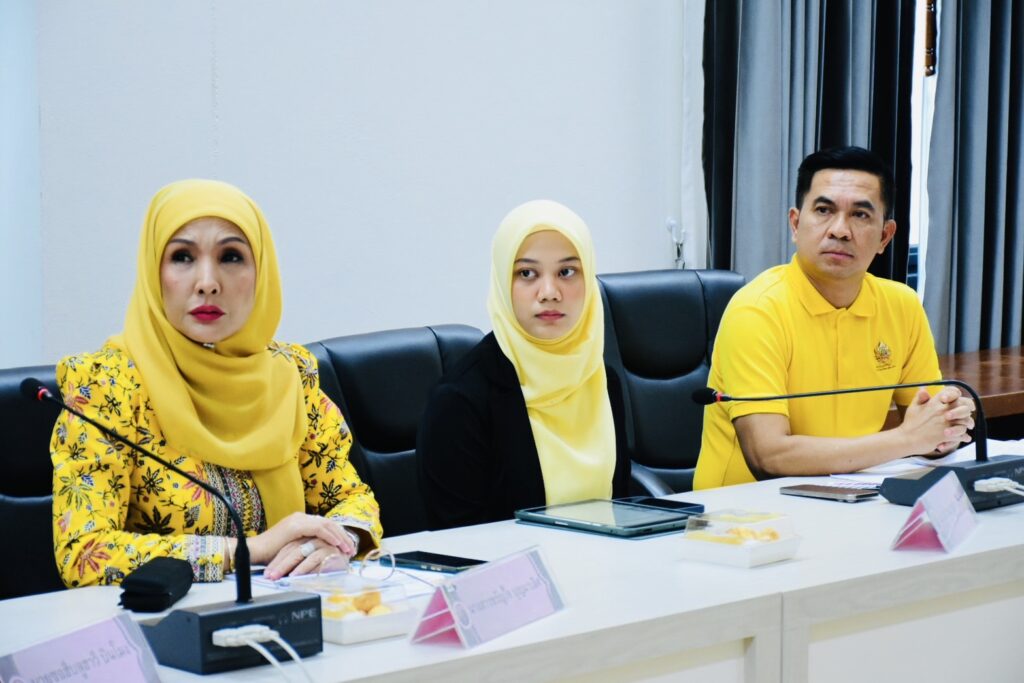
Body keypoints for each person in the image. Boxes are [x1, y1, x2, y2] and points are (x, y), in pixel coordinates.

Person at [50, 179, 382, 587]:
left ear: (262, 274)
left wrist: (338, 540)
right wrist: (247, 550)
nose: (207, 282)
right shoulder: (107, 387)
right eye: (182, 257)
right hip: (167, 621)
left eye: (231, 257)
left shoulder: (290, 374)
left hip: (296, 608)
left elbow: (351, 498)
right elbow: (83, 553)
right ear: (153, 271)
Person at [694, 146, 975, 489]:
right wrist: (909, 439)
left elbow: (928, 428)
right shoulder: (757, 310)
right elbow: (769, 456)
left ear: (885, 236)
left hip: (853, 497)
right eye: (824, 210)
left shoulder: (901, 305)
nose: (840, 230)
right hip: (745, 511)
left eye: (860, 215)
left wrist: (946, 427)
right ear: (795, 224)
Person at [417, 200, 629, 529]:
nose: (549, 292)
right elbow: (459, 541)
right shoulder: (460, 401)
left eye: (567, 272)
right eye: (527, 273)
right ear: (503, 282)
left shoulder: (601, 380)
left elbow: (622, 509)